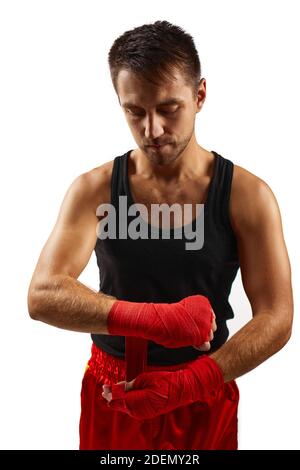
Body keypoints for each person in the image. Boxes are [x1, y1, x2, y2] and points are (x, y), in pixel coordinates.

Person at [27, 20, 293, 450]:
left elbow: (277, 318)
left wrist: (190, 383)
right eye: (135, 111)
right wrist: (154, 319)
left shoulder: (248, 195)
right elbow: (41, 295)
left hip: (202, 390)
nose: (152, 129)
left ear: (200, 95)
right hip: (113, 391)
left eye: (169, 108)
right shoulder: (93, 189)